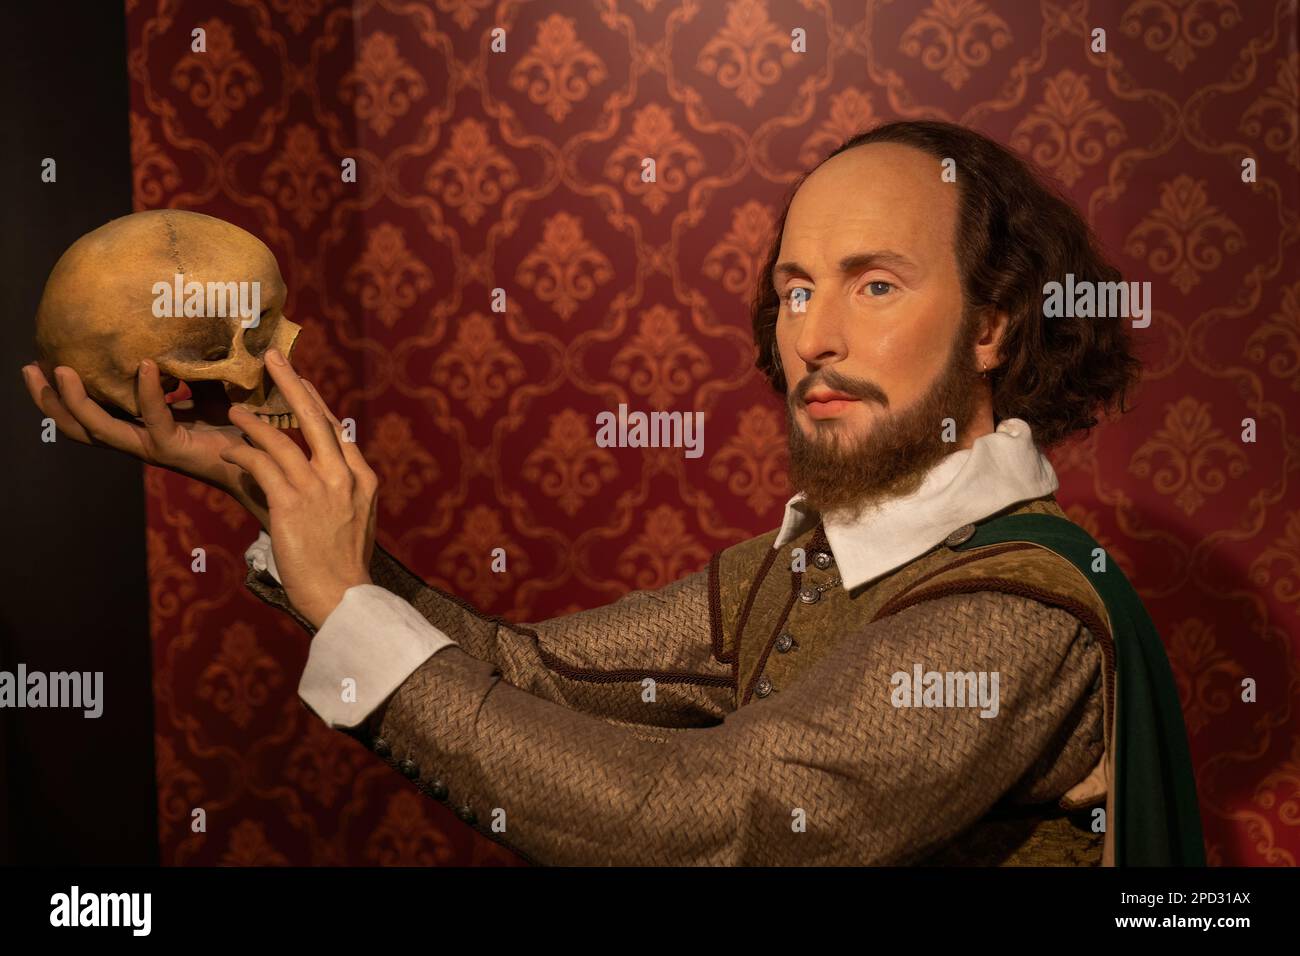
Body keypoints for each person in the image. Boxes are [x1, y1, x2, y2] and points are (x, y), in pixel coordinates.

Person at [22, 120, 1203, 866]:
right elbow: (523, 669)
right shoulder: (797, 567)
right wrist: (276, 497)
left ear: (993, 325)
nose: (816, 335)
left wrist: (345, 605)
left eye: (875, 285)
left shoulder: (1016, 613)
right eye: (795, 290)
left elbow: (714, 816)